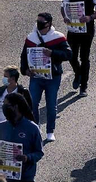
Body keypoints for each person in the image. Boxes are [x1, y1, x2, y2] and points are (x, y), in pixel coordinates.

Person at [20, 13, 68, 142]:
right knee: (33, 103)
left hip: (53, 78)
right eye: (38, 22)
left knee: (51, 105)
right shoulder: (31, 38)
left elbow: (68, 54)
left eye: (42, 22)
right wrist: (25, 70)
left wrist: (53, 53)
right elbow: (24, 56)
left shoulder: (58, 37)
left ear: (49, 24)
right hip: (36, 77)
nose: (39, 24)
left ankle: (50, 131)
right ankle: (36, 127)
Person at [1, 92, 43, 182]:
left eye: (7, 105)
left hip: (25, 179)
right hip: (5, 179)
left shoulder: (32, 128)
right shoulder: (2, 127)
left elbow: (39, 152)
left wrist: (27, 158)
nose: (4, 108)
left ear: (16, 107)